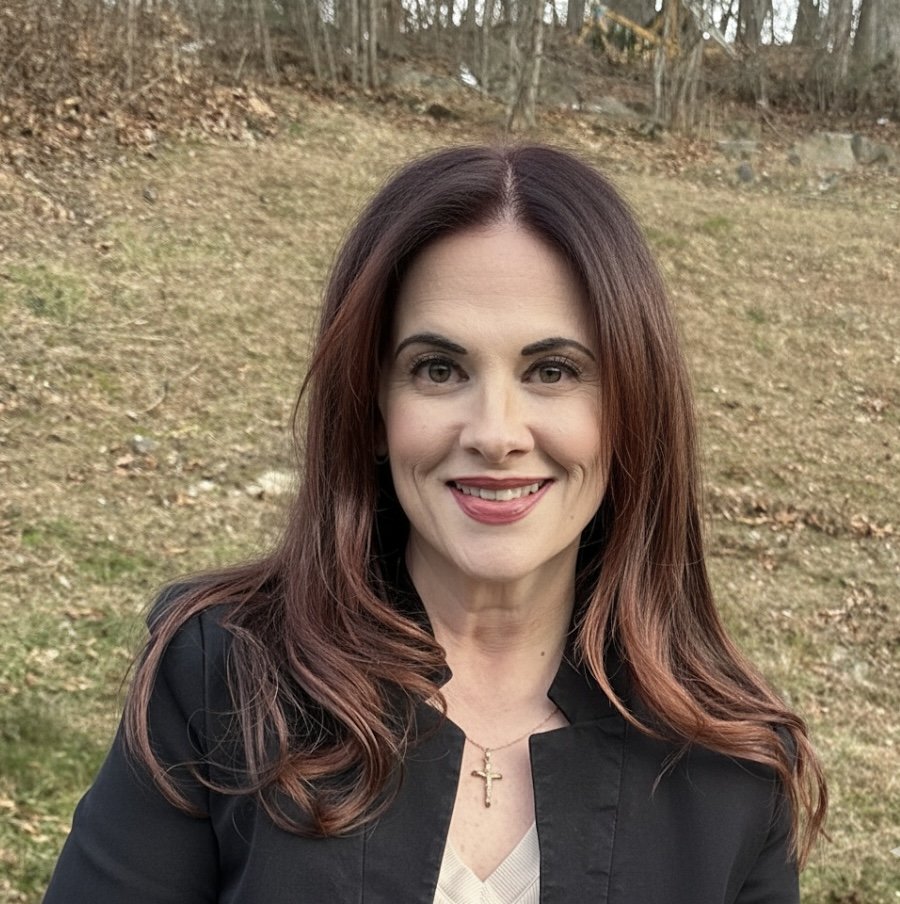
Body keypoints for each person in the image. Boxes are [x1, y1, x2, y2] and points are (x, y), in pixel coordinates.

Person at [45, 144, 826, 904]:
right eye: (439, 369)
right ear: (373, 408)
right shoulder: (223, 681)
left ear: (632, 409)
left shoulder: (733, 763)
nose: (496, 433)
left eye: (552, 371)